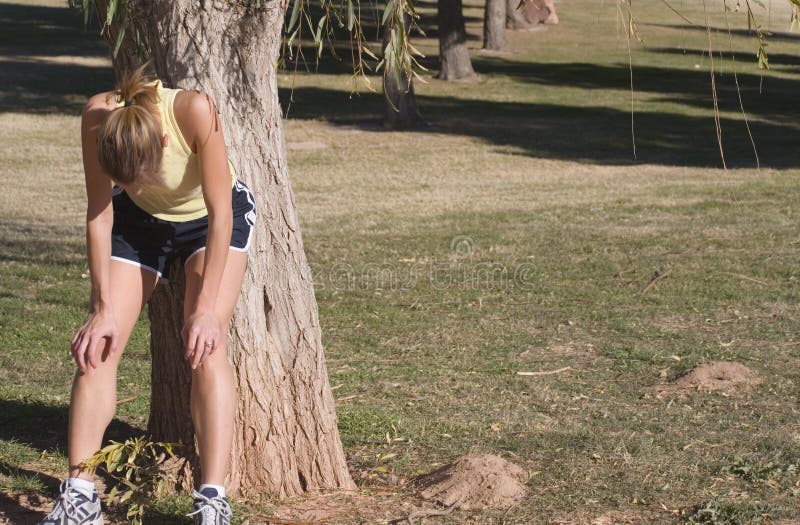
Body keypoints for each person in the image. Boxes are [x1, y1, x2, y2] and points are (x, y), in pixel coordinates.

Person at [39, 63, 255, 525]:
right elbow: (100, 214)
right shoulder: (99, 119)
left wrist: (206, 312)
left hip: (209, 220)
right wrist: (101, 308)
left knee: (206, 347)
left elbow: (221, 215)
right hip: (136, 225)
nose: (133, 187)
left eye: (139, 179)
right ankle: (80, 496)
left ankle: (213, 499)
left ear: (159, 144)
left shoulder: (194, 111)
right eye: (125, 182)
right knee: (98, 345)